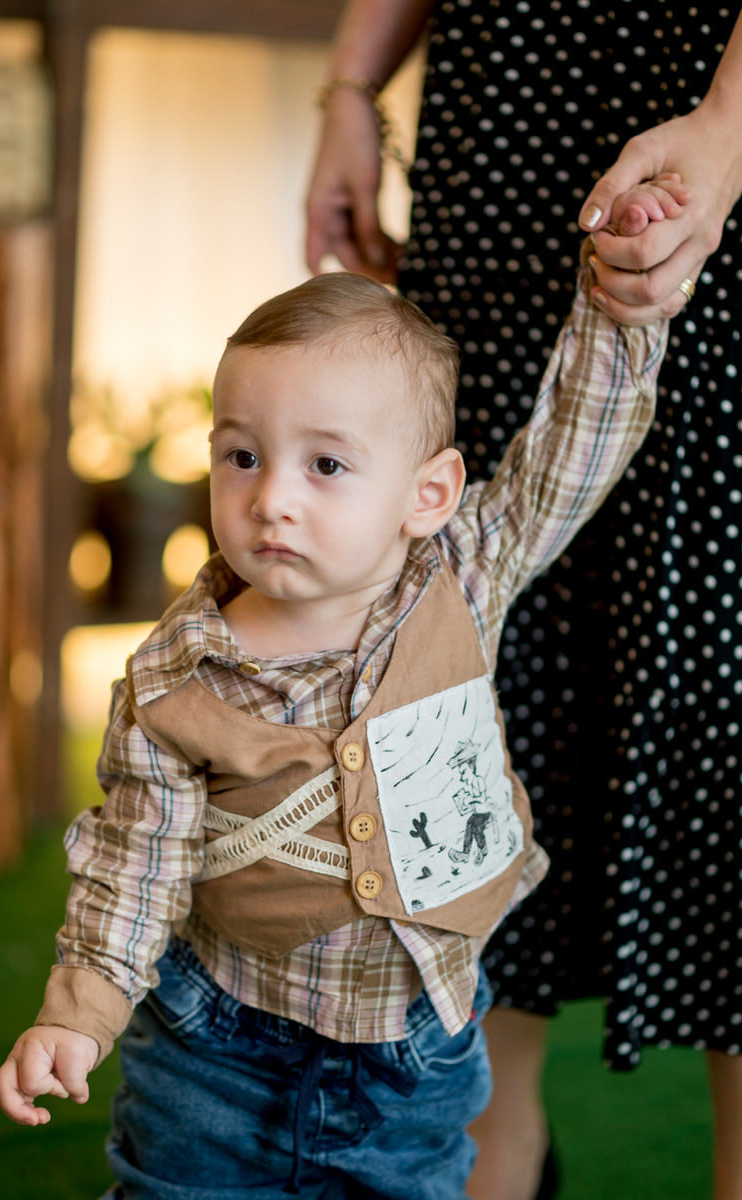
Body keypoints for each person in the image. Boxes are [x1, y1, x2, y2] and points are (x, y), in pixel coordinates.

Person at [0, 204, 669, 1197]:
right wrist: (79, 1013)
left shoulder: (461, 575)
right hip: (213, 1051)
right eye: (241, 455)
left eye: (325, 464)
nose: (271, 497)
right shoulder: (174, 674)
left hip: (418, 1053)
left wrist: (622, 310)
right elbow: (134, 866)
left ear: (427, 495)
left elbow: (571, 450)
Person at [305, 4, 742, 1199]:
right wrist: (352, 88)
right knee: (472, 675)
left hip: (711, 69)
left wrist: (728, 123)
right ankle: (491, 1159)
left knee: (726, 679)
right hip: (505, 112)